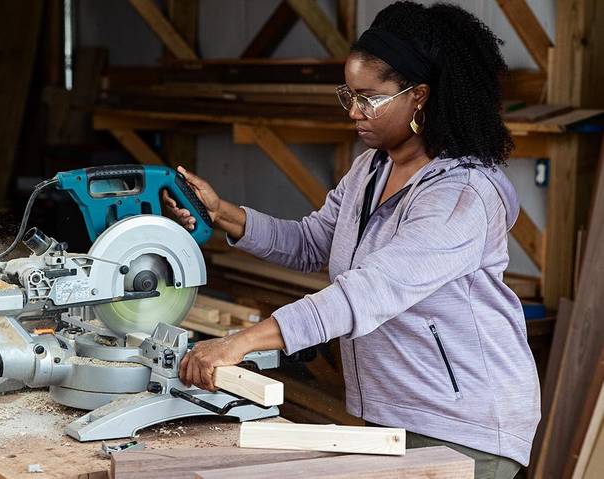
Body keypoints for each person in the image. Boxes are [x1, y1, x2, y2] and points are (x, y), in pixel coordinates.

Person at [163, 2, 540, 477]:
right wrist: (223, 215)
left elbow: (366, 292)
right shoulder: (371, 168)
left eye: (370, 98)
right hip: (393, 413)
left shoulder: (462, 195)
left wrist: (241, 342)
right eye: (349, 96)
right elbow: (310, 242)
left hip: (465, 425)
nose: (355, 113)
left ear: (419, 96)